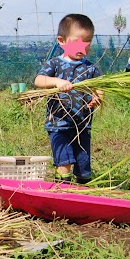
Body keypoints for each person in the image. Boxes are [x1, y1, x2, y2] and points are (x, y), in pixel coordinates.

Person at [33, 13, 103, 183]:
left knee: (83, 162)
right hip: (58, 124)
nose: (82, 48)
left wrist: (97, 97)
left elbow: (100, 87)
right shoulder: (55, 64)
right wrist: (56, 81)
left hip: (82, 125)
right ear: (61, 41)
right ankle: (63, 188)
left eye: (87, 43)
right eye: (77, 42)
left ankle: (83, 190)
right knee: (63, 160)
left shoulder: (90, 68)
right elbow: (38, 80)